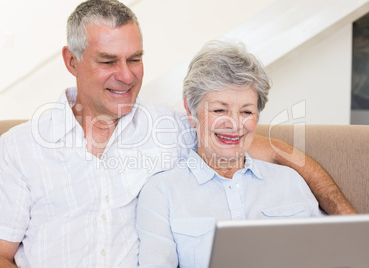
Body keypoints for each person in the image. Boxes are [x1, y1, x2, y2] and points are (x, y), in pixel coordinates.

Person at [0, 0, 355, 267]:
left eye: (135, 59)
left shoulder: (169, 126)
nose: (126, 75)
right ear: (72, 61)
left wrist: (350, 225)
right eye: (108, 61)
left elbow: (272, 151)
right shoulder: (22, 146)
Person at [136, 40, 326, 268]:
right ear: (191, 110)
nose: (234, 124)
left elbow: (329, 257)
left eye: (246, 111)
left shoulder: (290, 182)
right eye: (219, 110)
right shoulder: (162, 192)